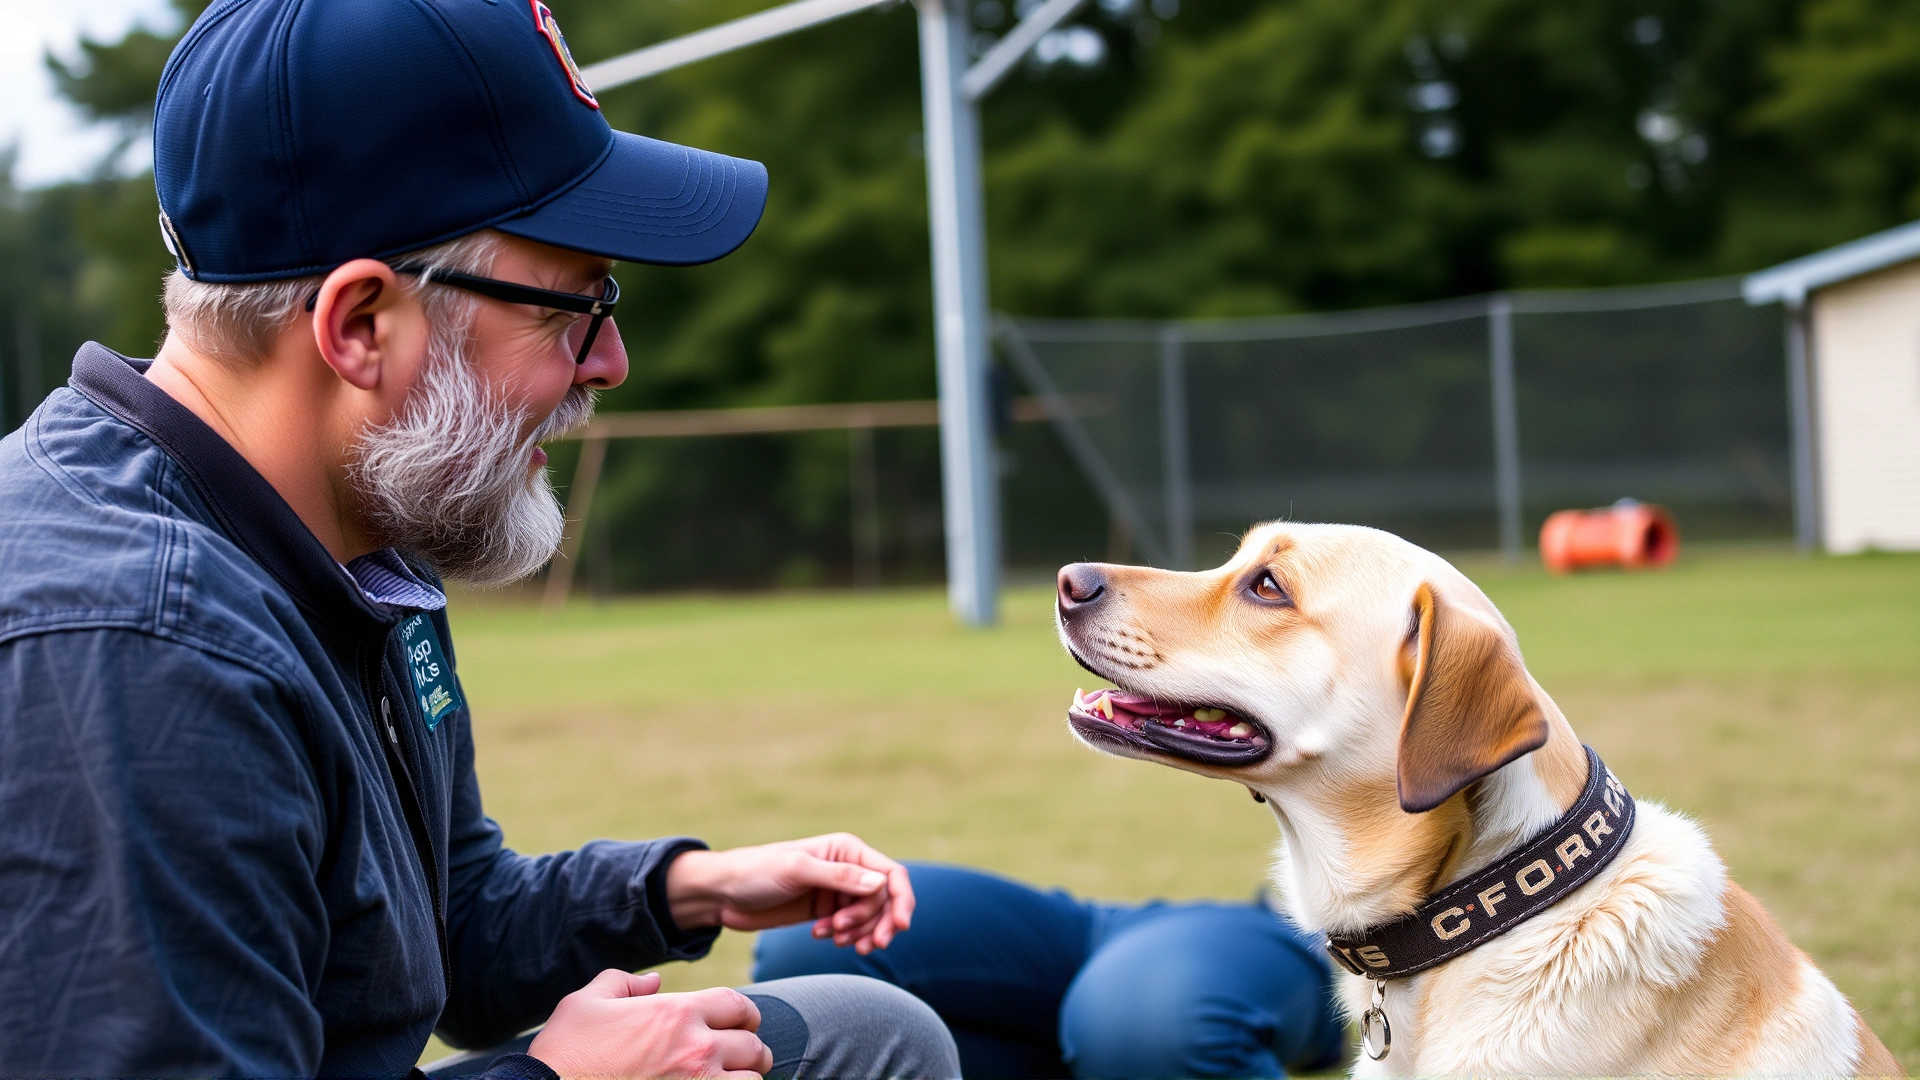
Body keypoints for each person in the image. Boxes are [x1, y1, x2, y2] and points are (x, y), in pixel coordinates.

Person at [0, 1, 959, 1078]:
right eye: (571, 308)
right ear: (362, 323)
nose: (612, 364)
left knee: (870, 1037)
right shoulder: (140, 649)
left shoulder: (351, 533)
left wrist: (685, 887)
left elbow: (443, 925)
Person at [754, 864, 1348, 1079]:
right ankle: (1111, 1055)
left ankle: (1126, 1050)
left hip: (1225, 949)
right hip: (1071, 941)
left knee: (1146, 1020)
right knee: (809, 944)